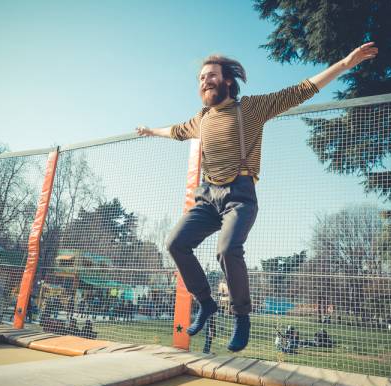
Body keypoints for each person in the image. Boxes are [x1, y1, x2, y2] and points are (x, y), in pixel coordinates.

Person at [137, 43, 378, 352]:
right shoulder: (202, 119)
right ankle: (207, 303)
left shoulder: (250, 109)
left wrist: (344, 63)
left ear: (226, 80)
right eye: (200, 78)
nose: (204, 81)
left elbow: (300, 90)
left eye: (210, 75)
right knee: (175, 243)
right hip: (207, 197)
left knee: (227, 250)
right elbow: (175, 131)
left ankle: (241, 316)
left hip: (239, 195)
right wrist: (150, 131)